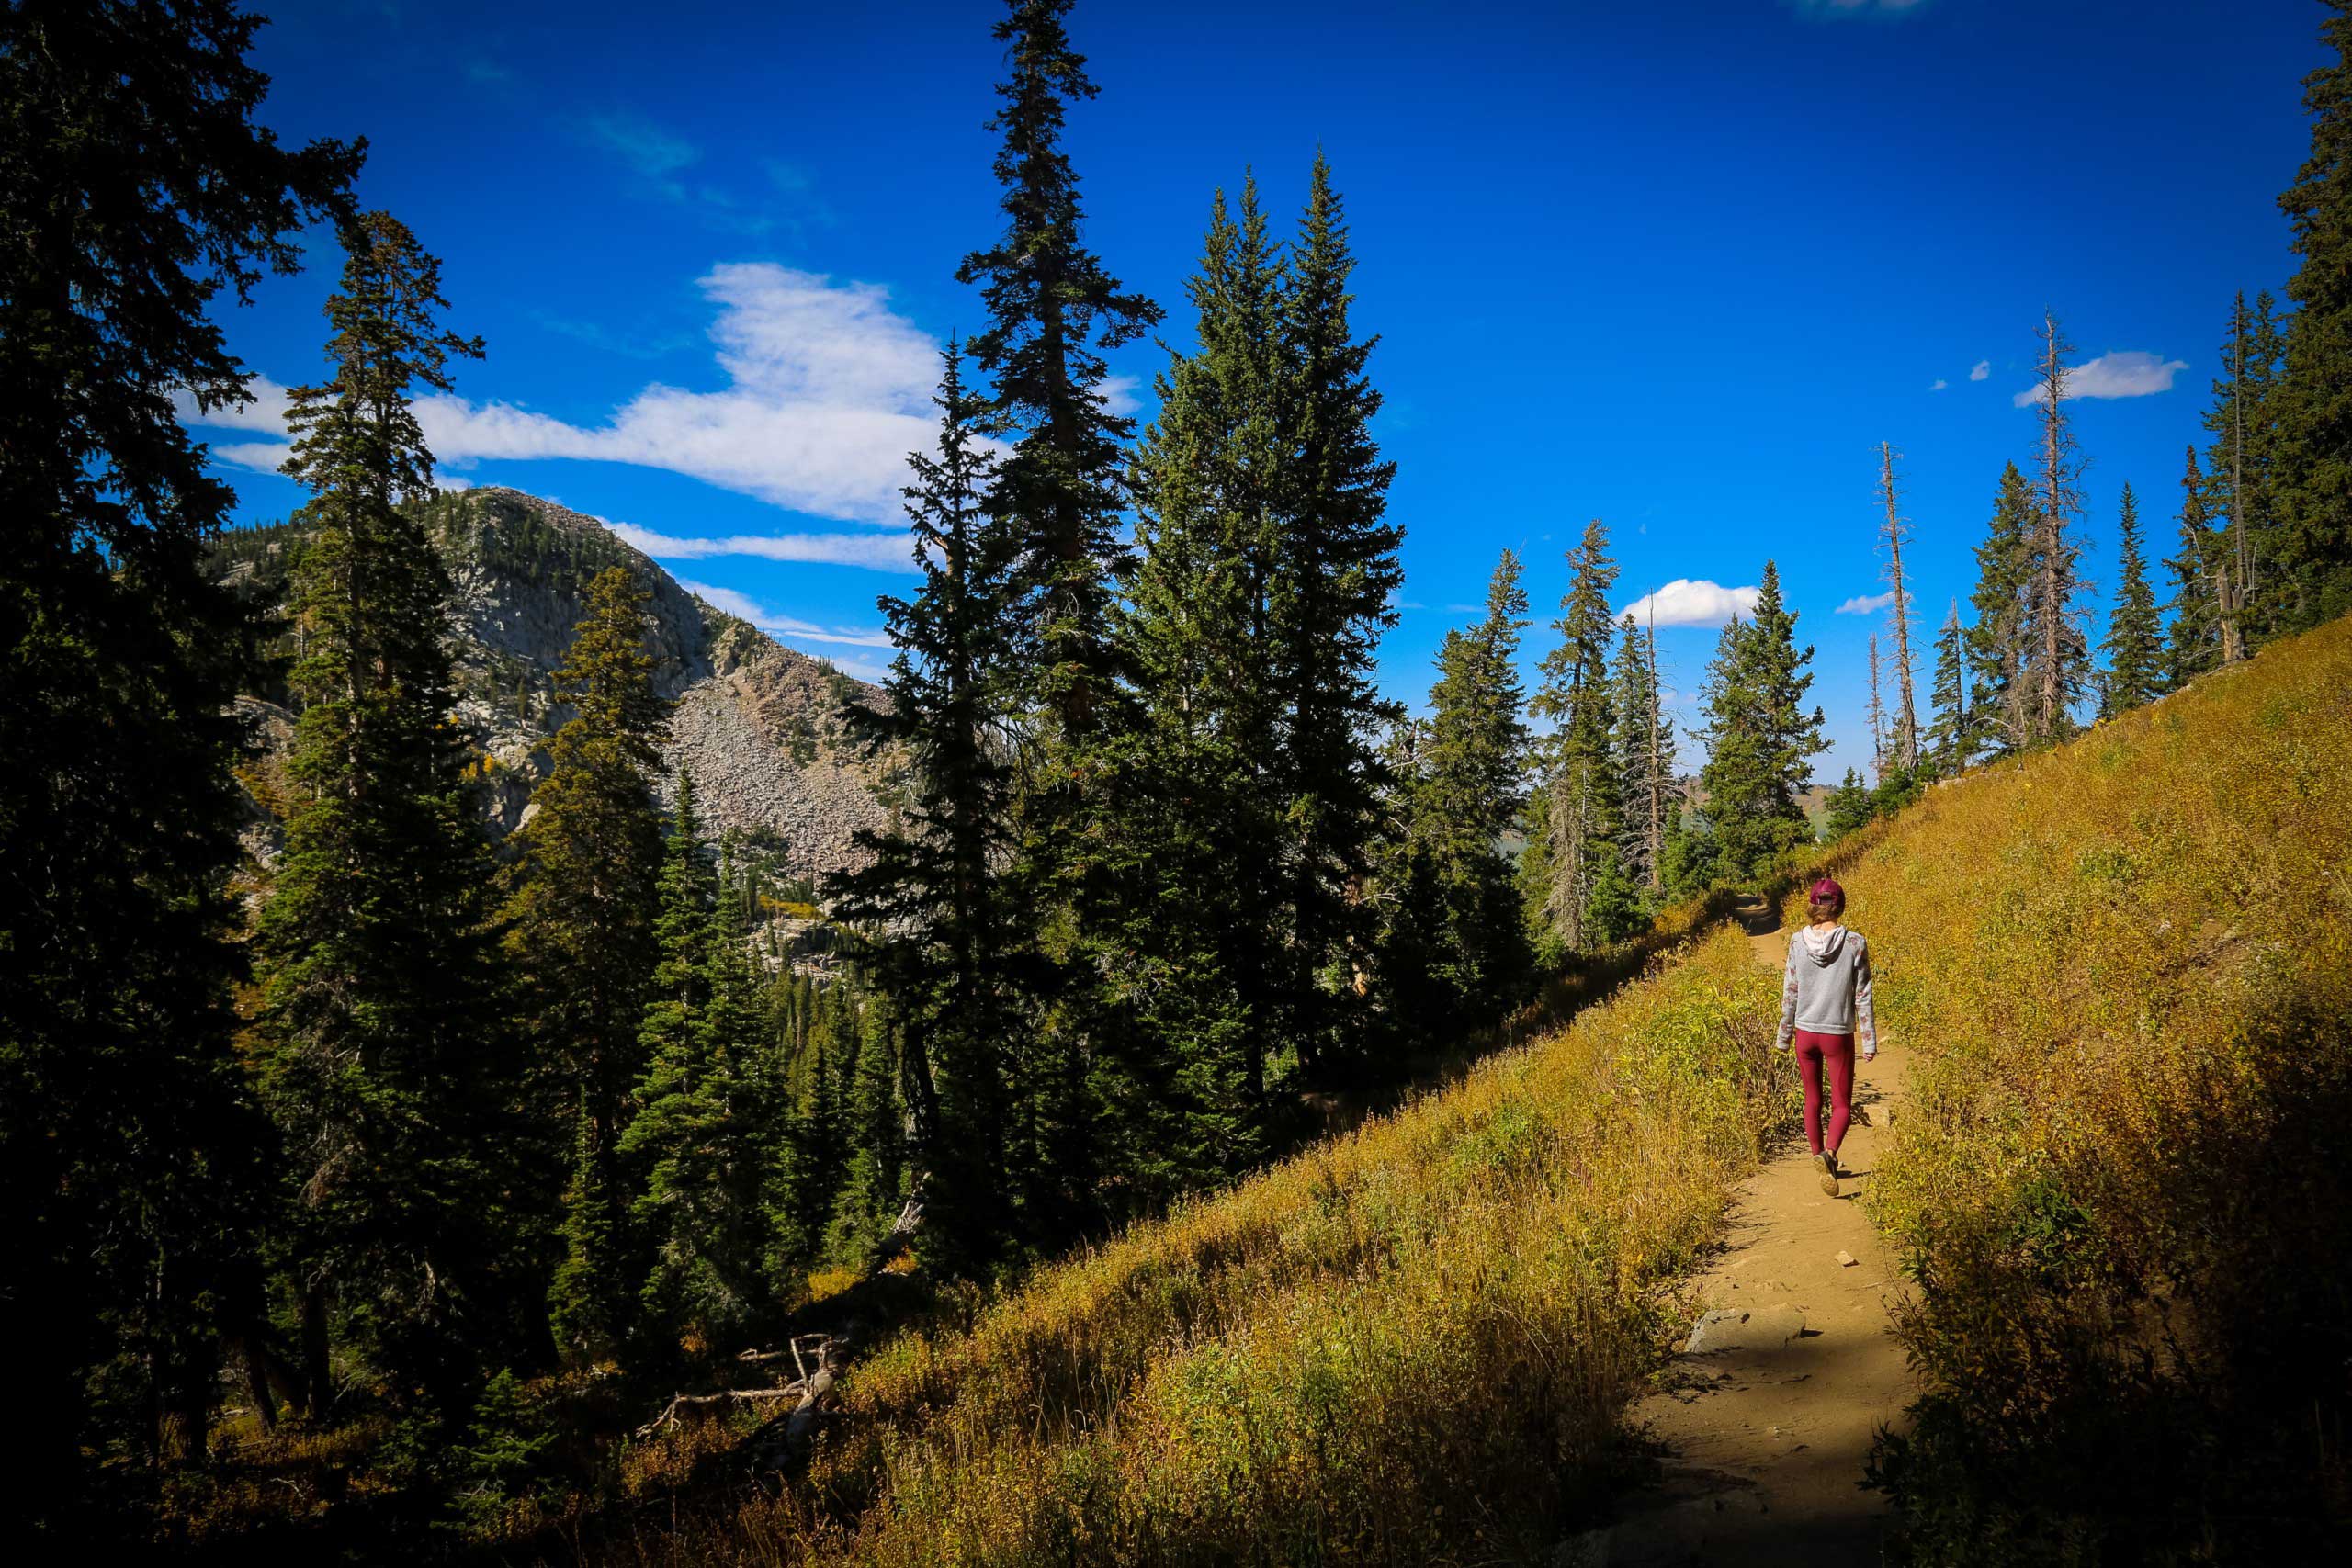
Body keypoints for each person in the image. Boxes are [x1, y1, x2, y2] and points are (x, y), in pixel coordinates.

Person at [1774, 876, 1877, 1197]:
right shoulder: (1855, 943)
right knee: (1842, 1103)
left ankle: (1816, 1153)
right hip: (1837, 1034)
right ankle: (1829, 1154)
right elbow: (1863, 994)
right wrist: (1869, 1040)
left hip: (1805, 1033)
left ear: (1813, 905)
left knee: (1812, 1099)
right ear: (1840, 906)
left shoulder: (1795, 941)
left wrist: (1784, 1035)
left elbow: (1790, 992)